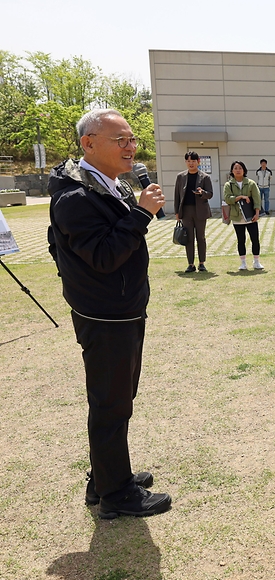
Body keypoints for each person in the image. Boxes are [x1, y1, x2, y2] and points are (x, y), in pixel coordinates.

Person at [47, 108, 171, 518]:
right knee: (111, 403)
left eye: (132, 139)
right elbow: (103, 257)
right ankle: (115, 495)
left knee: (117, 399)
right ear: (89, 143)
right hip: (105, 316)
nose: (130, 147)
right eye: (120, 140)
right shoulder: (75, 197)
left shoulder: (106, 185)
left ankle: (105, 478)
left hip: (121, 310)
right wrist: (140, 214)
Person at [173, 151, 214, 273]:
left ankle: (202, 263)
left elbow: (210, 194)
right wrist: (177, 212)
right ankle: (190, 264)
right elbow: (176, 195)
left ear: (198, 162)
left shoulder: (205, 177)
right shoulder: (180, 177)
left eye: (193, 161)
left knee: (200, 237)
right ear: (185, 162)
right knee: (189, 238)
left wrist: (202, 193)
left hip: (200, 211)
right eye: (188, 161)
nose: (191, 163)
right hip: (186, 211)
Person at [223, 160, 264, 271]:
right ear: (232, 171)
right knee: (241, 240)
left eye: (240, 168)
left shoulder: (251, 183)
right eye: (235, 168)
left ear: (244, 170)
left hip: (250, 216)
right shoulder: (229, 185)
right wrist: (240, 197)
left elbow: (257, 199)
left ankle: (256, 261)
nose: (238, 170)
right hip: (237, 216)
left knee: (255, 239)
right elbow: (227, 199)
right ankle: (243, 263)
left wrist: (257, 213)